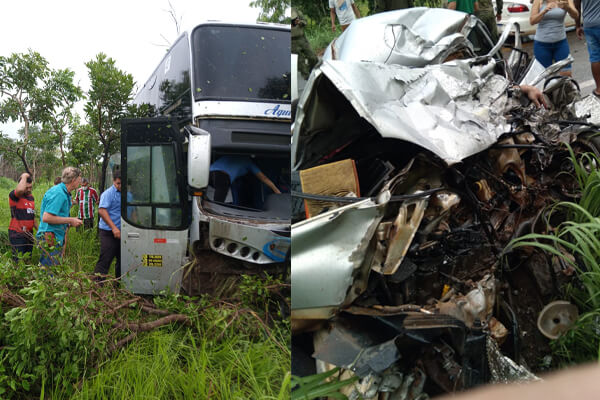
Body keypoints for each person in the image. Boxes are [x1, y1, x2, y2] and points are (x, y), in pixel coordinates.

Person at [36, 167, 83, 267]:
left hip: (56, 236)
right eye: (80, 178)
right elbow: (47, 217)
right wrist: (70, 219)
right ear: (73, 180)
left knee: (52, 270)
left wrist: (70, 222)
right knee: (49, 273)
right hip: (50, 236)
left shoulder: (65, 193)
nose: (80, 181)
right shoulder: (59, 193)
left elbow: (57, 216)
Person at [530, 0, 579, 77]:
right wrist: (544, 11)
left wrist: (568, 8)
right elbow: (532, 21)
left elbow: (576, 15)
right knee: (544, 77)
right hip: (542, 44)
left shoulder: (566, 1)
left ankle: (563, 89)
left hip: (561, 42)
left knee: (566, 74)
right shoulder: (538, 1)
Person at [209, 155, 281, 205]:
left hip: (207, 173)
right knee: (218, 205)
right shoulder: (248, 162)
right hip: (222, 177)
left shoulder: (232, 155)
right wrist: (276, 190)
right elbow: (263, 178)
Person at [94, 172, 122, 280]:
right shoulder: (108, 194)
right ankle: (97, 286)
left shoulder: (128, 194)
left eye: (122, 183)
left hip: (123, 231)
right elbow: (101, 210)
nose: (119, 186)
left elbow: (131, 211)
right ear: (113, 181)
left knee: (122, 259)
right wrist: (114, 228)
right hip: (108, 232)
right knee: (105, 258)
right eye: (118, 183)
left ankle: (120, 284)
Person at [8, 172, 37, 260]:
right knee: (18, 261)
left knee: (28, 260)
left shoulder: (31, 197)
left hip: (29, 234)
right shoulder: (14, 196)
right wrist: (24, 175)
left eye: (30, 187)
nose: (28, 189)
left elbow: (33, 216)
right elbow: (20, 190)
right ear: (21, 184)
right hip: (17, 234)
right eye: (26, 187)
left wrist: (39, 231)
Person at [575, 0, 600, 96]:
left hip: (589, 25)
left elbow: (576, 5)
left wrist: (577, 26)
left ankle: (599, 88)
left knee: (595, 57)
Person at [292, 7, 318, 79]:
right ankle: (308, 79)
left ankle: (311, 70)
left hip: (301, 38)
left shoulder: (295, 10)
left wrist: (300, 22)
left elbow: (305, 21)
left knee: (313, 57)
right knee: (300, 63)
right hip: (292, 42)